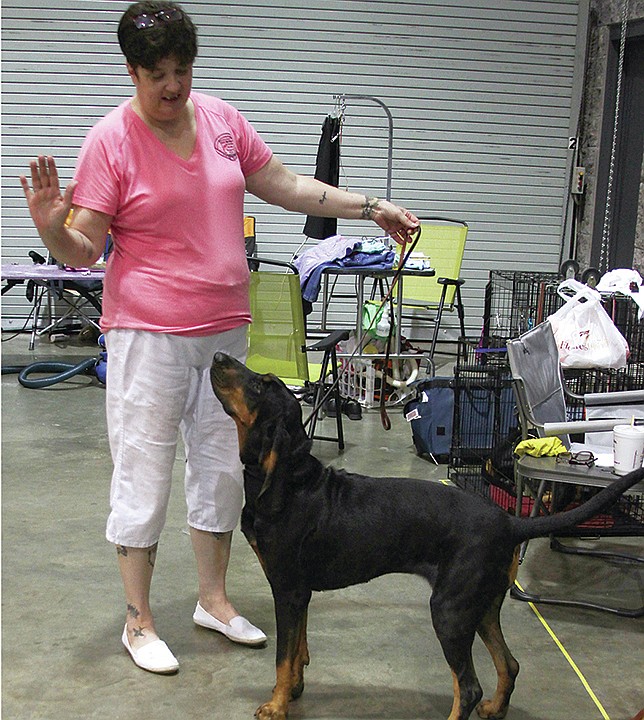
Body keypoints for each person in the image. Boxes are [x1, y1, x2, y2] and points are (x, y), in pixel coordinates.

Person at [20, 1, 419, 675]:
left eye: (182, 70)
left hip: (224, 332)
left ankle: (213, 599)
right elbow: (83, 249)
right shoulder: (111, 140)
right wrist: (50, 227)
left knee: (222, 471)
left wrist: (370, 207)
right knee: (143, 471)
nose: (173, 87)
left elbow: (285, 184)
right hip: (149, 333)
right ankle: (138, 620)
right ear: (131, 71)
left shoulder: (224, 122)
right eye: (158, 75)